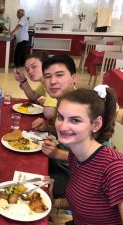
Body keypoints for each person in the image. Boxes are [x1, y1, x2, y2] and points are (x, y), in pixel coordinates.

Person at [53, 86, 122, 224]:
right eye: (60, 117)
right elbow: (89, 202)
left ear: (96, 124)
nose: (62, 126)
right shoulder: (76, 156)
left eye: (75, 120)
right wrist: (55, 202)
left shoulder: (115, 168)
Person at [33, 55, 77, 198]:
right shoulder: (62, 103)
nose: (52, 81)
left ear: (73, 78)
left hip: (75, 175)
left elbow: (98, 158)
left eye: (59, 75)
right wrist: (48, 127)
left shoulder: (83, 108)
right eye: (47, 76)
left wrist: (57, 154)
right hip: (58, 162)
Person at [14, 52, 56, 120]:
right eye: (27, 69)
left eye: (34, 67)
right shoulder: (44, 82)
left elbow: (49, 113)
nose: (30, 72)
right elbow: (33, 96)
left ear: (46, 65)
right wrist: (23, 80)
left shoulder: (53, 82)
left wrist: (45, 103)